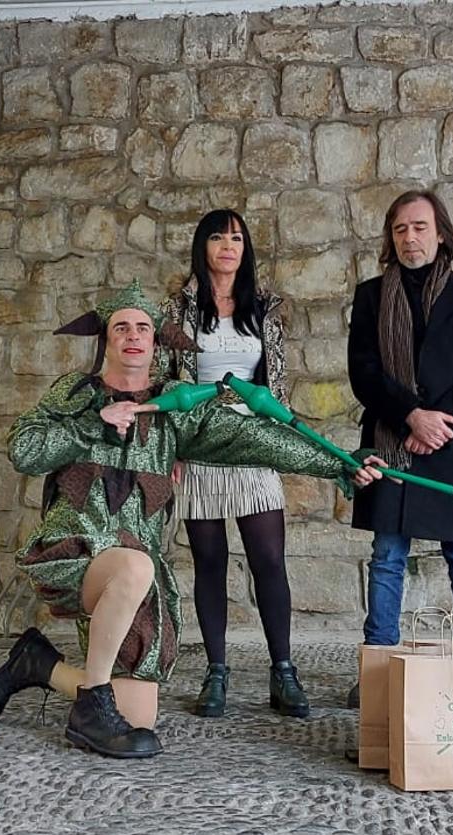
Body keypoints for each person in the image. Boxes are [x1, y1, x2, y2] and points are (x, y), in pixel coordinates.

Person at [0, 280, 382, 758]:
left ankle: (37, 665)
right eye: (121, 327)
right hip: (80, 554)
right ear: (106, 339)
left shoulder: (177, 406)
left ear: (156, 342)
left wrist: (339, 463)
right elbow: (24, 450)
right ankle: (92, 706)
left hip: (136, 579)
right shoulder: (77, 392)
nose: (133, 335)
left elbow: (254, 437)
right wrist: (94, 422)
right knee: (134, 565)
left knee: (138, 717)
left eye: (143, 328)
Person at [346, 189, 453, 707]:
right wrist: (411, 416)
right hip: (393, 437)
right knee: (388, 555)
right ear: (391, 240)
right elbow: (364, 373)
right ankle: (377, 670)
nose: (410, 238)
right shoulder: (371, 297)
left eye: (419, 227)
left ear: (441, 233)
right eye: (400, 230)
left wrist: (437, 424)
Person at [160, 209, 308, 719]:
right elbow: (166, 381)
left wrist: (282, 435)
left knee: (269, 557)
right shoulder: (179, 309)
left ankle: (283, 670)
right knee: (209, 561)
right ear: (203, 245)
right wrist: (173, 447)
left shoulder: (263, 308)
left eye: (237, 238)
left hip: (251, 442)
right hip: (201, 443)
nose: (229, 245)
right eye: (219, 237)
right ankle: (216, 672)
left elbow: (277, 379)